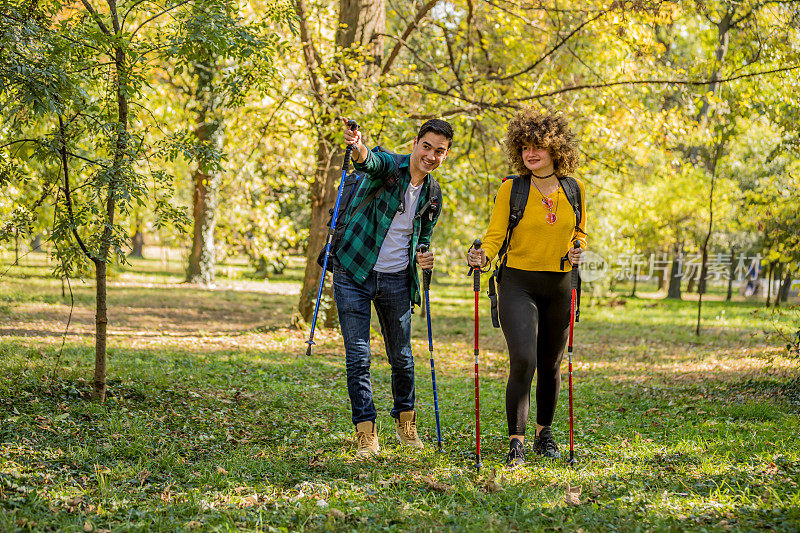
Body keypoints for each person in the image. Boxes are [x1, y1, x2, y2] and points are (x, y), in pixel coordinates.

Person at [467, 108, 586, 468]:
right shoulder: (512, 189)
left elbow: (579, 230)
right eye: (524, 148)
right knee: (524, 359)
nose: (530, 154)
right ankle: (515, 441)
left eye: (539, 147)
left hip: (560, 284)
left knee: (551, 365)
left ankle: (543, 434)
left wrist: (577, 247)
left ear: (556, 149)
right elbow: (494, 236)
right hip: (517, 282)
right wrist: (481, 256)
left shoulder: (574, 188)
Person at [335, 117, 453, 458]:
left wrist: (424, 255)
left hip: (397, 280)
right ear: (415, 143)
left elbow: (424, 238)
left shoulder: (433, 194)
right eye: (426, 146)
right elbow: (369, 160)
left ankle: (406, 426)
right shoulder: (389, 167)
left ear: (446, 155)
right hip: (353, 271)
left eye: (439, 151)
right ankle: (367, 436)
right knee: (359, 358)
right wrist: (358, 146)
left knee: (402, 359)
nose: (430, 156)